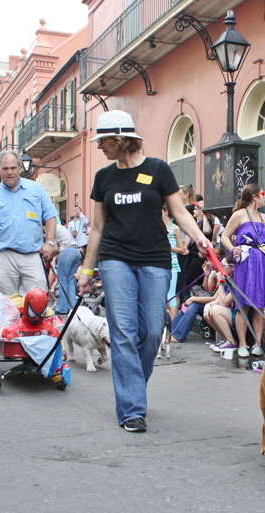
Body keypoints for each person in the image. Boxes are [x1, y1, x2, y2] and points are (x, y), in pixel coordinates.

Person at [76, 110, 210, 433]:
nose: (99, 147)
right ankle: (133, 408)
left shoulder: (158, 170)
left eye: (104, 141)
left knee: (151, 331)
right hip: (115, 258)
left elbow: (179, 211)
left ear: (121, 139)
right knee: (122, 330)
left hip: (155, 258)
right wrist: (86, 270)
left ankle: (133, 384)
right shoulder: (103, 177)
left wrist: (200, 238)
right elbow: (97, 228)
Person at [221, 183, 265, 358]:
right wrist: (232, 248)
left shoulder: (264, 217)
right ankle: (242, 343)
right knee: (243, 303)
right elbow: (224, 236)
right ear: (254, 197)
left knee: (258, 305)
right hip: (246, 261)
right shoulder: (238, 215)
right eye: (263, 194)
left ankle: (257, 344)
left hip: (262, 262)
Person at [0, 150, 59, 297]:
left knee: (37, 300)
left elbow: (51, 216)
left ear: (20, 168)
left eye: (13, 168)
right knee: (2, 304)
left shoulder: (36, 189)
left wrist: (49, 242)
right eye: (5, 168)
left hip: (32, 255)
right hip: (3, 256)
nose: (9, 172)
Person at [52, 222, 81, 314]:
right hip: (76, 251)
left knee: (62, 280)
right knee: (71, 281)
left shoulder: (49, 229)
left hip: (66, 251)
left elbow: (55, 248)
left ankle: (62, 308)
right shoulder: (60, 227)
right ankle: (72, 308)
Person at [162, 204, 185, 319]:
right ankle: (167, 324)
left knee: (171, 295)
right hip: (160, 264)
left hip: (172, 265)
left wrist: (168, 247)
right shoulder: (158, 227)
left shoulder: (175, 228)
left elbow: (182, 249)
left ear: (165, 212)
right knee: (164, 295)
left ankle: (173, 326)